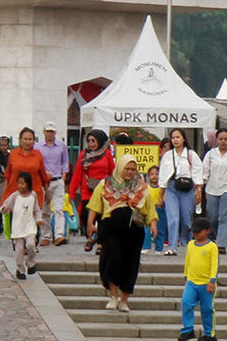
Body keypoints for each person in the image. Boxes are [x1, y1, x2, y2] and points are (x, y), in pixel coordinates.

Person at [86, 153, 159, 313]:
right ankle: (113, 297)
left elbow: (149, 207)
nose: (130, 172)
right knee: (112, 260)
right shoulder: (106, 184)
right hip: (111, 230)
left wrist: (153, 223)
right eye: (127, 168)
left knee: (130, 264)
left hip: (134, 232)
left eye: (133, 169)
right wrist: (90, 223)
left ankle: (124, 300)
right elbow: (95, 205)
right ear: (120, 168)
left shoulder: (141, 186)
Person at [157, 128, 204, 256]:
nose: (175, 140)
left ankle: (188, 243)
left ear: (183, 138)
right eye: (173, 138)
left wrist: (198, 190)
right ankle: (172, 246)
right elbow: (163, 176)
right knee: (173, 218)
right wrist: (160, 196)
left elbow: (198, 173)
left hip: (186, 188)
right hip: (171, 188)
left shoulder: (190, 154)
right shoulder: (167, 155)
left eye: (178, 137)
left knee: (186, 219)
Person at [68, 129, 114, 252]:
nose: (91, 143)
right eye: (89, 141)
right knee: (85, 214)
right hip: (87, 190)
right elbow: (77, 174)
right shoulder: (84, 155)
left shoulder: (107, 154)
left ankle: (100, 242)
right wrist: (71, 193)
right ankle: (91, 236)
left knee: (101, 216)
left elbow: (112, 172)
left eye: (93, 141)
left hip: (103, 189)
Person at [1, 128, 49, 240]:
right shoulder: (13, 154)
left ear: (34, 141)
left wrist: (47, 191)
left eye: (30, 139)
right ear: (20, 140)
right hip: (16, 191)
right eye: (25, 139)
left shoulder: (37, 155)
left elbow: (43, 175)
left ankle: (32, 243)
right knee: (18, 218)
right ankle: (19, 242)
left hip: (34, 192)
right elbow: (8, 174)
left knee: (33, 217)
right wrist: (5, 193)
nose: (27, 142)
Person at [178, 217, 218, 341]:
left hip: (206, 283)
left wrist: (212, 281)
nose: (195, 234)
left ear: (207, 231)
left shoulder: (212, 247)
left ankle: (209, 333)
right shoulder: (191, 244)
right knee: (186, 302)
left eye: (198, 231)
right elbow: (188, 260)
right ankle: (188, 329)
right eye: (193, 232)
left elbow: (214, 265)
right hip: (192, 281)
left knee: (207, 309)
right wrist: (186, 275)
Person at [1, 171, 42, 279]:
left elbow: (36, 210)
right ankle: (20, 269)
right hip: (18, 225)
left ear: (28, 184)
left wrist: (39, 219)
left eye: (23, 183)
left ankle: (30, 263)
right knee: (19, 251)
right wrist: (5, 209)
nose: (20, 186)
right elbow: (5, 205)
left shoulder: (33, 195)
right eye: (19, 183)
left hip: (29, 225)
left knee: (31, 245)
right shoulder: (15, 196)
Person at [37, 122, 71, 246]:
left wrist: (62, 178)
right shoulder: (38, 146)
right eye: (48, 131)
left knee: (59, 209)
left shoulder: (61, 146)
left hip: (57, 180)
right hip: (44, 182)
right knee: (44, 210)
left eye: (52, 131)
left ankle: (59, 235)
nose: (49, 134)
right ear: (44, 132)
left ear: (55, 132)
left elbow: (65, 163)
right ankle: (46, 235)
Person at [142, 165, 167, 254]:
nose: (154, 176)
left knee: (160, 228)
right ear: (148, 176)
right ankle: (146, 246)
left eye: (157, 174)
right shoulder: (147, 188)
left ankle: (159, 248)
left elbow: (166, 199)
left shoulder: (162, 188)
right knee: (147, 229)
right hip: (149, 210)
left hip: (160, 209)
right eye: (152, 174)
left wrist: (162, 202)